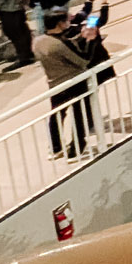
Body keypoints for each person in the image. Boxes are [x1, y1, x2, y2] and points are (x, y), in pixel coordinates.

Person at [34, 11, 95, 156]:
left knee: (57, 114)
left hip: (54, 83)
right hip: (74, 82)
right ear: (60, 23)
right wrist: (90, 40)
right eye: (65, 21)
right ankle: (77, 148)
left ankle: (55, 147)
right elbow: (83, 59)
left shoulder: (38, 42)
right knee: (80, 115)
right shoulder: (60, 43)